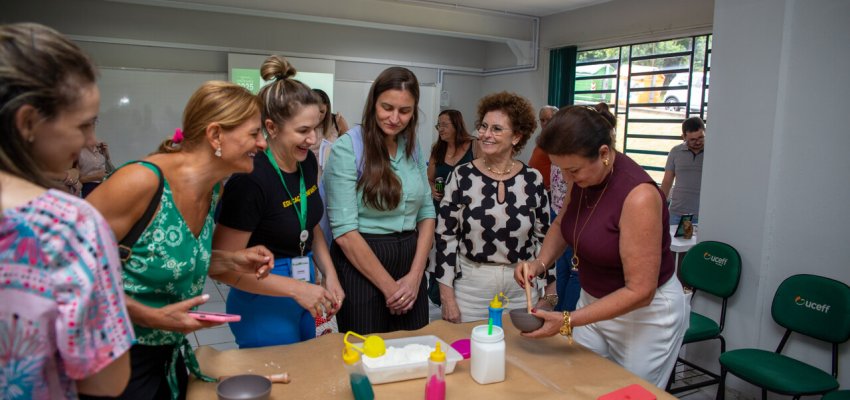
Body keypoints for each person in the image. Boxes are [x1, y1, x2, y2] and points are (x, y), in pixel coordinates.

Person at [84, 81, 275, 400]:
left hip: (166, 356)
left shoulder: (214, 189)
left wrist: (231, 260)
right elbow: (64, 273)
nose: (263, 144)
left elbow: (166, 258)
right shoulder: (141, 182)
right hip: (113, 360)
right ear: (215, 135)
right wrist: (146, 315)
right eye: (254, 133)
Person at [0, 22, 134, 398]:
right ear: (27, 122)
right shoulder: (66, 224)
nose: (90, 140)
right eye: (83, 125)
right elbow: (106, 379)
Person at [516, 103, 688, 388]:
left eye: (572, 170)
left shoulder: (639, 196)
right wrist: (540, 263)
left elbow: (640, 291)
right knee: (578, 383)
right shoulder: (583, 176)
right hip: (593, 301)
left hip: (643, 317)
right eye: (562, 170)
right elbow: (562, 224)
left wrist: (568, 319)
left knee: (626, 392)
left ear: (604, 154)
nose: (567, 179)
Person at [212, 55, 344, 348]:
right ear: (271, 128)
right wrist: (295, 288)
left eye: (316, 128)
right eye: (302, 131)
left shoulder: (307, 163)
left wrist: (330, 276)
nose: (312, 140)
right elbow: (222, 266)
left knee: (309, 370)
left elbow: (310, 225)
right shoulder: (250, 179)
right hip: (262, 293)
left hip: (305, 283)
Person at [324, 66, 435, 334]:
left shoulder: (412, 146)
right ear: (373, 103)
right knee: (368, 357)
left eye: (405, 111)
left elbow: (427, 213)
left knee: (414, 350)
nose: (395, 118)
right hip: (362, 262)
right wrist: (391, 288)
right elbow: (345, 231)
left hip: (411, 262)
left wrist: (415, 277)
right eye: (387, 107)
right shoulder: (348, 148)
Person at [433, 92, 549, 323]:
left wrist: (548, 292)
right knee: (470, 352)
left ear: (516, 137)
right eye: (484, 126)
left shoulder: (532, 179)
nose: (485, 134)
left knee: (520, 353)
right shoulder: (462, 176)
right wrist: (447, 297)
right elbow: (445, 238)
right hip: (472, 288)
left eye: (496, 129)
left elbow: (544, 240)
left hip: (522, 288)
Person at [427, 109, 478, 211]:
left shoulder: (475, 145)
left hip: (468, 207)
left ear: (457, 125)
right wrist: (433, 189)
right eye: (438, 126)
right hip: (441, 208)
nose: (440, 129)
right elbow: (430, 179)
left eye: (444, 125)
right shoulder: (436, 150)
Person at [660, 116, 705, 225]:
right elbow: (667, 182)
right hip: (676, 214)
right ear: (683, 137)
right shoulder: (675, 152)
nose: (698, 142)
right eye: (692, 140)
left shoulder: (713, 152)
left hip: (702, 215)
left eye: (701, 137)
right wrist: (659, 206)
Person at [312, 88, 349, 173]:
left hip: (330, 171)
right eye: (315, 110)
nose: (318, 115)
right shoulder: (300, 122)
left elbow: (348, 149)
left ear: (327, 110)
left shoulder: (337, 121)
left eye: (322, 111)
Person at [527, 105, 558, 191]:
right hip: (535, 184)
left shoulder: (558, 139)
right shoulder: (543, 137)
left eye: (548, 120)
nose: (544, 123)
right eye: (542, 120)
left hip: (547, 189)